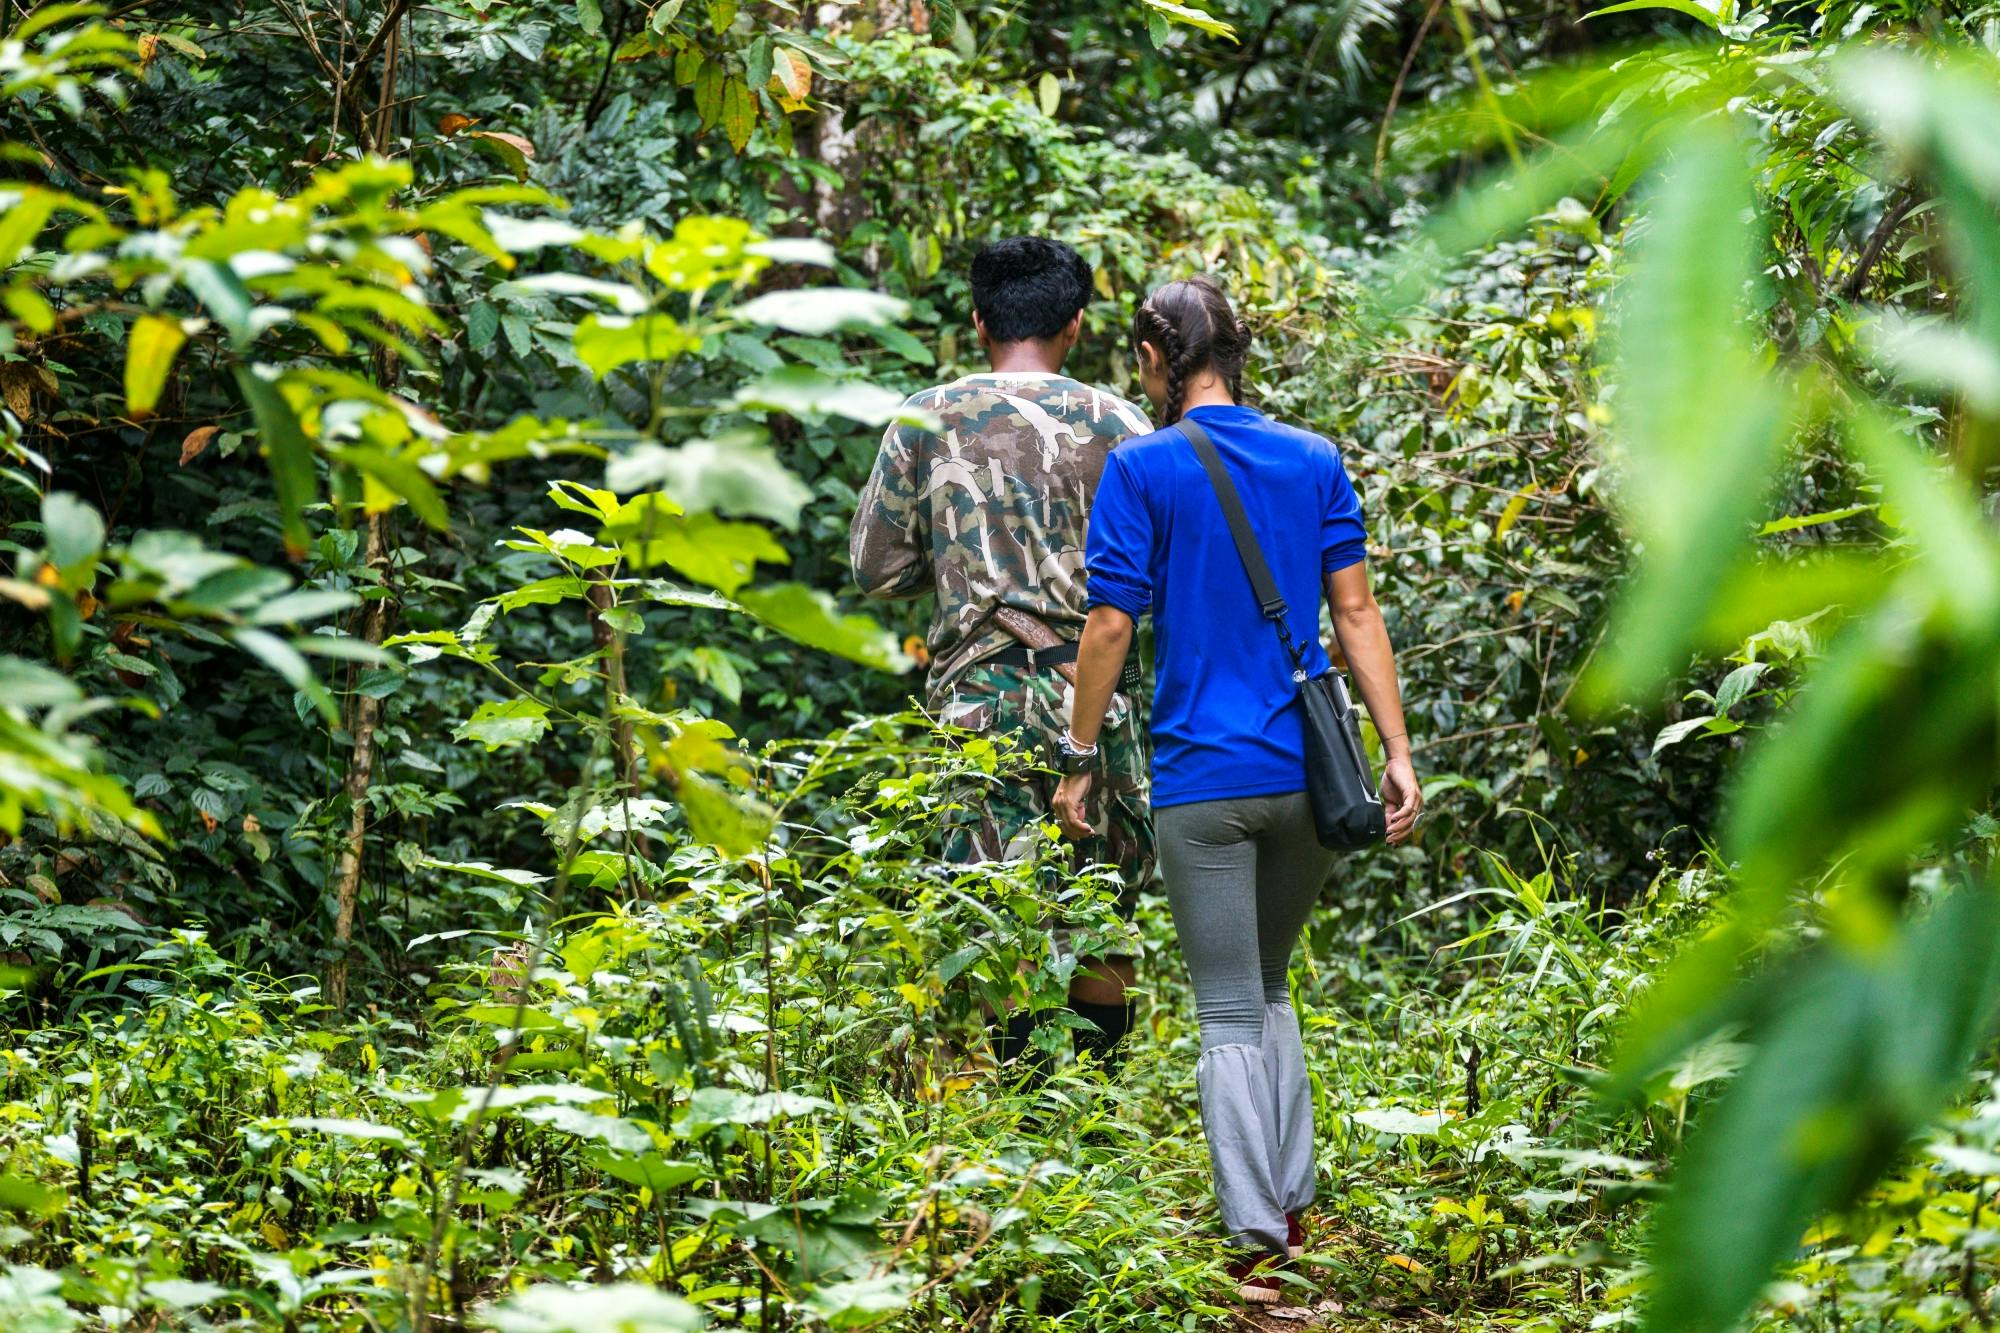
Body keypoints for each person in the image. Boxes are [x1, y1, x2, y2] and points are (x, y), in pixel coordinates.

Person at [1050, 275, 1421, 1304]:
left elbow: (1111, 625)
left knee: (1223, 1010)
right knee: (1266, 987)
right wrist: (1394, 749)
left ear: (1155, 360)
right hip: (1308, 777)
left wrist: (1079, 755)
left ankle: (1256, 1238)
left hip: (1200, 784)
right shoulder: (1311, 459)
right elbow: (1353, 615)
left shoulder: (1141, 468)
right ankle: (1290, 1201)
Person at [849, 236, 1156, 1076]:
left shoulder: (928, 415)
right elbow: (1157, 575)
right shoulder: (1125, 424)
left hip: (978, 698)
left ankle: (1025, 1116)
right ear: (1077, 324)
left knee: (994, 913)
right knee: (1103, 912)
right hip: (1096, 694)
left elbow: (874, 568)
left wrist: (957, 563)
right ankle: (1090, 1123)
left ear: (979, 319)